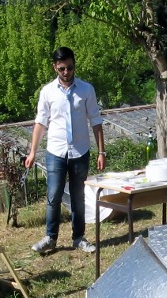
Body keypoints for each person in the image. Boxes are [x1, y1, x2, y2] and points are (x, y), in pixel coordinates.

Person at [25, 46, 107, 254]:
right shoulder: (47, 92)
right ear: (55, 68)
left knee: (78, 197)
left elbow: (96, 121)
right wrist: (33, 152)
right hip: (56, 151)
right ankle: (50, 238)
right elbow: (40, 123)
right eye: (62, 68)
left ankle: (79, 238)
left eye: (70, 68)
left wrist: (101, 151)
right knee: (54, 195)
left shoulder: (86, 89)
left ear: (74, 66)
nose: (66, 72)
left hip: (80, 151)